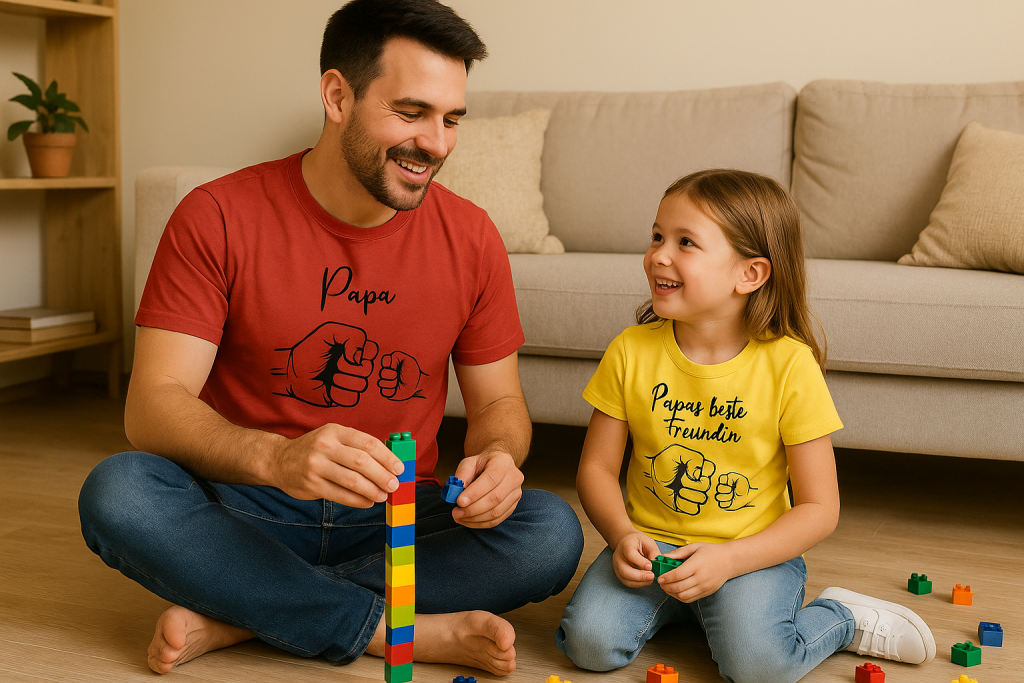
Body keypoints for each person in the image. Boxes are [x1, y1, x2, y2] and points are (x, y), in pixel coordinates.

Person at [77, 0, 583, 676]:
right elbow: (152, 404)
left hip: (397, 516)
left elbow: (499, 407)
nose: (436, 143)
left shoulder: (472, 237)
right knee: (118, 491)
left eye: (451, 118)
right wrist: (278, 460)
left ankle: (246, 610)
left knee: (550, 531)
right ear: (336, 95)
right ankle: (388, 630)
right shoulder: (217, 215)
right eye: (411, 113)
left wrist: (496, 458)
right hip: (245, 504)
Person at [554, 170, 935, 682]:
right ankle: (694, 614)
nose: (659, 255)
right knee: (588, 647)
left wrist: (729, 562)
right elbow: (597, 469)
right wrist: (622, 535)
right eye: (657, 236)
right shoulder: (629, 351)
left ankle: (841, 618)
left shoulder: (789, 366)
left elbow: (820, 509)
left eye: (686, 242)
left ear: (750, 274)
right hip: (651, 546)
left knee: (759, 669)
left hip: (751, 555)